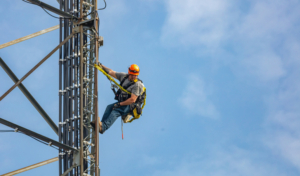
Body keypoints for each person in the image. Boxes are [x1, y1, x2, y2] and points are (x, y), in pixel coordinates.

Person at [91, 63, 144, 134]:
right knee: (109, 107)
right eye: (132, 75)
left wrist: (119, 104)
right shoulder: (124, 76)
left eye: (135, 75)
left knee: (116, 111)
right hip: (124, 102)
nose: (133, 77)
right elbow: (111, 72)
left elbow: (132, 100)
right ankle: (101, 124)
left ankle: (103, 127)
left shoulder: (137, 85)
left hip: (130, 105)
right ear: (129, 72)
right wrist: (102, 66)